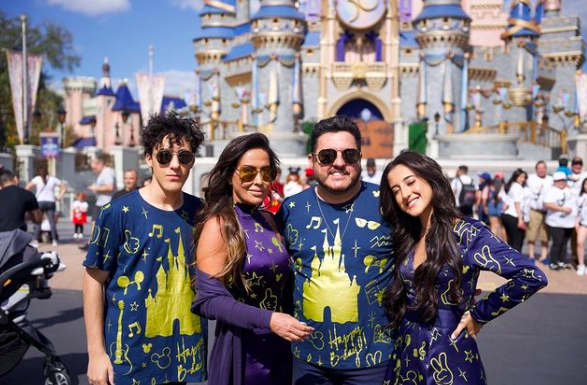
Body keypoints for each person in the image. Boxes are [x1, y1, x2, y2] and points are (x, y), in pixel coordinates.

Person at [379, 151, 548, 384]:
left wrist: (480, 314)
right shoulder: (407, 235)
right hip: (405, 354)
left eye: (410, 182)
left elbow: (531, 275)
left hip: (449, 354)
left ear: (431, 178)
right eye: (396, 190)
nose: (405, 194)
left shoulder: (468, 233)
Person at [82, 112, 208, 385]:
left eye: (184, 157)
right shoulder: (117, 212)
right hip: (128, 362)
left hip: (182, 358)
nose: (174, 165)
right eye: (164, 156)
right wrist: (96, 352)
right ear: (149, 159)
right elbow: (93, 280)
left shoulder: (201, 213)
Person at [276, 116, 393, 384]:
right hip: (308, 360)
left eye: (349, 154)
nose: (339, 163)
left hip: (373, 360)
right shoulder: (291, 209)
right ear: (312, 160)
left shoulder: (388, 204)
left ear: (360, 158)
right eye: (327, 155)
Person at [192, 133, 312, 385]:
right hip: (243, 353)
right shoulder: (219, 225)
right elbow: (209, 301)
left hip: (281, 349)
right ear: (229, 175)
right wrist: (269, 320)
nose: (259, 181)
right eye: (248, 172)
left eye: (266, 173)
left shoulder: (269, 219)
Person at [79, 154, 116, 251]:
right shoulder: (103, 173)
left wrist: (96, 188)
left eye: (94, 167)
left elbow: (110, 187)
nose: (93, 169)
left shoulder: (107, 172)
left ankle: (96, 245)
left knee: (100, 224)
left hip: (107, 203)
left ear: (100, 164)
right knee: (95, 222)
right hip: (100, 203)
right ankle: (92, 243)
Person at [543, 171, 578, 271]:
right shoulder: (551, 190)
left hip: (569, 223)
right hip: (555, 222)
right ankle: (554, 262)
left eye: (563, 180)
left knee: (564, 243)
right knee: (557, 242)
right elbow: (547, 204)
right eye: (559, 180)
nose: (561, 182)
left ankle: (561, 261)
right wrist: (562, 209)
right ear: (554, 181)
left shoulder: (569, 190)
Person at [25, 164, 66, 246]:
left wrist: (32, 197)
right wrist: (59, 196)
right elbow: (63, 187)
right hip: (51, 201)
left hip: (40, 202)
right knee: (52, 221)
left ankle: (35, 240)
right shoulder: (53, 179)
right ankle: (54, 240)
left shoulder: (37, 179)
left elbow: (27, 188)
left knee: (38, 221)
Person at [526, 161, 553, 261]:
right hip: (535, 211)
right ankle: (531, 256)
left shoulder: (551, 179)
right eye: (539, 168)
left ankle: (544, 256)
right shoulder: (531, 178)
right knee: (531, 234)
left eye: (543, 168)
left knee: (545, 236)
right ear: (536, 169)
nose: (541, 170)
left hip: (547, 211)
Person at [500, 168, 527, 252]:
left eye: (524, 177)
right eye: (520, 177)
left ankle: (511, 260)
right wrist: (520, 219)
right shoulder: (517, 187)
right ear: (516, 177)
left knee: (511, 240)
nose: (523, 179)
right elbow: (517, 203)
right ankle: (517, 262)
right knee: (517, 241)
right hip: (513, 215)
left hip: (506, 215)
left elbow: (506, 200)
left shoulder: (511, 185)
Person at [486, 172, 507, 241]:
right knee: (502, 227)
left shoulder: (490, 186)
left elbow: (486, 197)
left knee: (493, 226)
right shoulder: (505, 186)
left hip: (492, 207)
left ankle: (494, 242)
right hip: (502, 208)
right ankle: (504, 243)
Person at [576, 178, 587, 276]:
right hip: (584, 224)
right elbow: (578, 211)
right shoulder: (580, 197)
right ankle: (581, 265)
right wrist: (576, 223)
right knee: (580, 243)